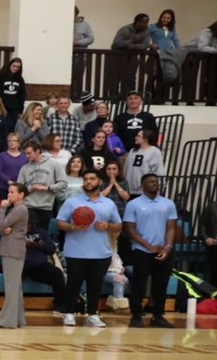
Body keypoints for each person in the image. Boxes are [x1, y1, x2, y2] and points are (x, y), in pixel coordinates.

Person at [55, 170, 123, 328]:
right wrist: (73, 227)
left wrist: (108, 226)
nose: (88, 182)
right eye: (86, 179)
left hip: (101, 252)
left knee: (95, 285)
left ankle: (93, 315)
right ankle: (69, 313)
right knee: (74, 283)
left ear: (99, 182)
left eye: (92, 179)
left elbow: (119, 225)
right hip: (76, 251)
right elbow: (60, 222)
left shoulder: (108, 203)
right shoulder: (72, 202)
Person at [122, 174, 180, 328]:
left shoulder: (168, 204)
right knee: (139, 284)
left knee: (161, 284)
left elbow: (171, 227)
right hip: (142, 250)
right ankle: (136, 315)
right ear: (142, 185)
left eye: (156, 181)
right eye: (151, 182)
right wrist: (149, 246)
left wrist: (167, 247)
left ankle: (158, 316)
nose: (154, 184)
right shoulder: (133, 204)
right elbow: (129, 229)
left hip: (164, 250)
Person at [0, 183, 30, 329]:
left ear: (21, 194)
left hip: (12, 249)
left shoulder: (19, 209)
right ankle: (19, 320)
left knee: (11, 287)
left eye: (12, 192)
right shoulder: (18, 209)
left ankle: (7, 321)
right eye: (9, 192)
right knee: (16, 287)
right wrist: (2, 230)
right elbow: (2, 229)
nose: (9, 195)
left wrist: (2, 208)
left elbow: (1, 225)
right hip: (14, 249)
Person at [16, 142, 68, 235]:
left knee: (42, 234)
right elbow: (19, 189)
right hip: (29, 205)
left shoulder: (53, 164)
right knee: (30, 233)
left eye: (29, 153)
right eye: (26, 153)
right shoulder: (24, 168)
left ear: (38, 151)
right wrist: (31, 188)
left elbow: (63, 184)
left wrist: (48, 188)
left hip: (46, 206)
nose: (27, 156)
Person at [121, 128, 163, 194]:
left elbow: (158, 170)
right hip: (129, 190)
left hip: (144, 191)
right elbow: (126, 169)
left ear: (145, 139)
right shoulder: (133, 151)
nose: (135, 137)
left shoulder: (155, 152)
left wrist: (157, 186)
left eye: (138, 136)